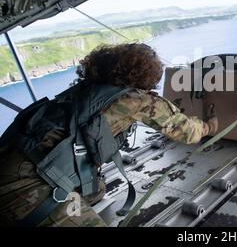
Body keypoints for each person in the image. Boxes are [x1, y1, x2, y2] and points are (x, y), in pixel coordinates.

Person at [0, 43, 218, 227]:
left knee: (98, 190)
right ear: (148, 75)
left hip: (10, 158)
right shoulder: (137, 100)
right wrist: (210, 126)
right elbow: (188, 133)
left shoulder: (82, 90)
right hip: (27, 186)